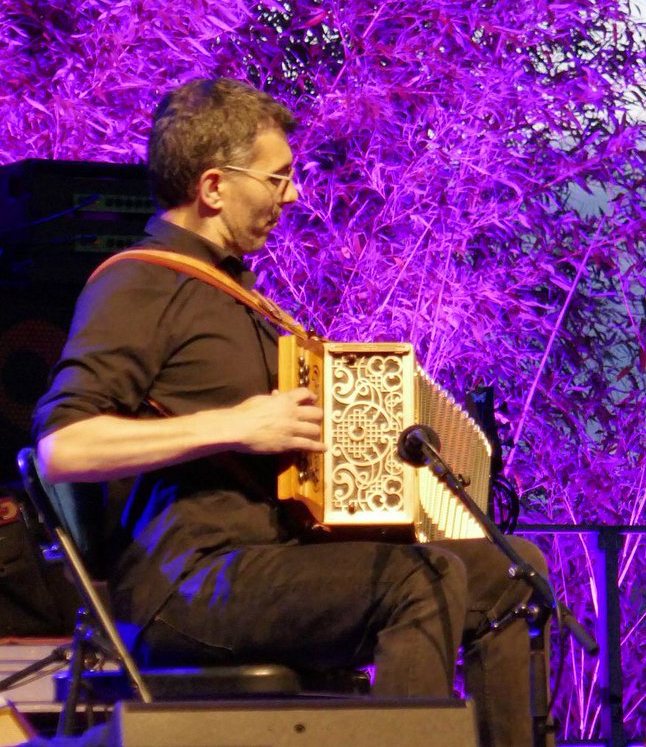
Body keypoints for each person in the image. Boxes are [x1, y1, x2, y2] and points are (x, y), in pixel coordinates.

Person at [32, 77, 545, 747]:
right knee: (421, 580)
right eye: (277, 178)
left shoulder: (233, 296)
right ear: (214, 187)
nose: (293, 195)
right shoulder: (139, 284)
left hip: (270, 560)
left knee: (513, 571)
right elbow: (63, 446)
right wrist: (236, 426)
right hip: (188, 580)